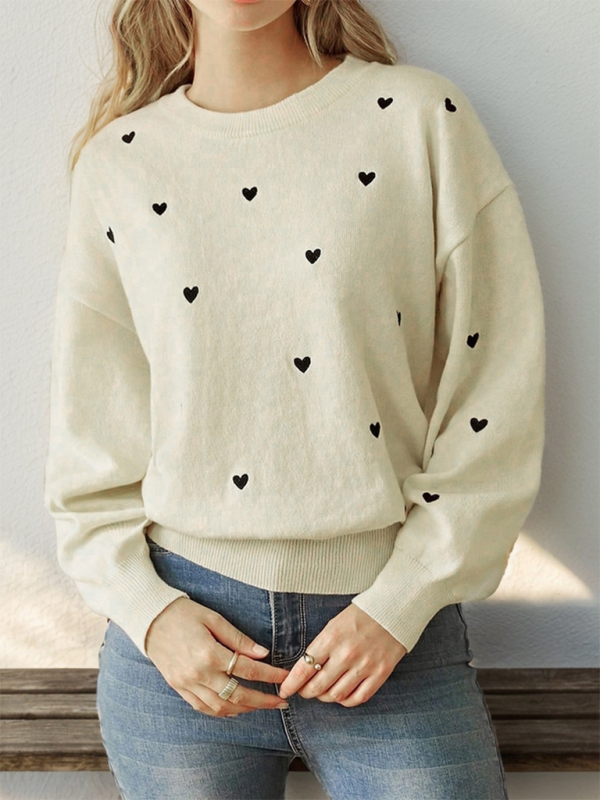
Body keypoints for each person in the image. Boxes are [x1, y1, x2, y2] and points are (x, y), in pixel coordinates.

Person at [43, 0, 546, 797]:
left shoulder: (419, 119)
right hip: (178, 650)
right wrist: (150, 613)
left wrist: (402, 601)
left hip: (392, 631)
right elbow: (91, 428)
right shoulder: (121, 162)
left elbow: (498, 386)